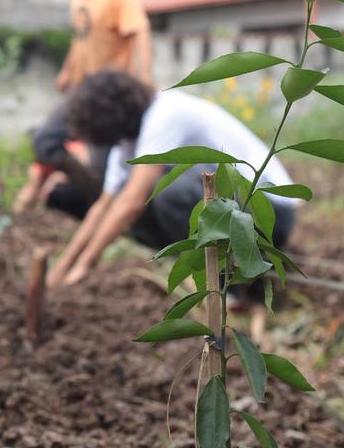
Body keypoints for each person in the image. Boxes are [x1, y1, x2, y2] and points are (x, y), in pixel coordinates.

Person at [45, 71, 296, 292]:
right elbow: (104, 205)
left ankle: (227, 286)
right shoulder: (127, 143)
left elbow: (130, 202)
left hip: (269, 212)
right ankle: (216, 276)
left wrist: (86, 263)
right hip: (237, 211)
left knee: (166, 194)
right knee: (139, 213)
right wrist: (63, 267)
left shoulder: (165, 114)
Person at [20, 0, 153, 218]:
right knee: (46, 140)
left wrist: (146, 76)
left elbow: (140, 32)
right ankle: (94, 201)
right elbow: (80, 37)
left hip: (109, 98)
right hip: (81, 90)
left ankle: (107, 215)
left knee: (106, 165)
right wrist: (67, 70)